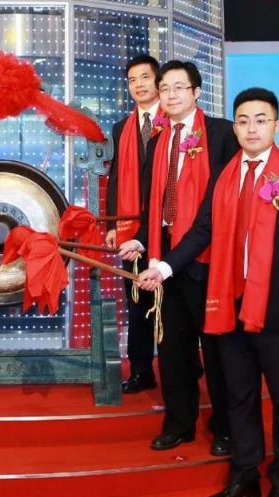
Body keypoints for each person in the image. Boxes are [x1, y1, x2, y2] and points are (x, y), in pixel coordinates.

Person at [139, 87, 279, 497]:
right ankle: (244, 475)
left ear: (276, 126)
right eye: (243, 120)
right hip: (229, 304)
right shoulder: (224, 174)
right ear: (235, 127)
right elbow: (202, 231)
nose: (251, 128)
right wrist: (164, 268)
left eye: (261, 120)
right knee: (239, 396)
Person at [118, 60, 239, 456]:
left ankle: (225, 427)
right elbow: (153, 207)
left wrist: (172, 260)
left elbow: (221, 207)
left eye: (179, 87)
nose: (170, 95)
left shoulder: (221, 134)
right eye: (165, 88)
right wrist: (140, 241)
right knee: (172, 349)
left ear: (197, 92)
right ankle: (179, 422)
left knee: (217, 351)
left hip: (208, 258)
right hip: (164, 255)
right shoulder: (158, 141)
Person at [104, 54, 162, 394]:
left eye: (144, 77)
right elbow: (114, 178)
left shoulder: (175, 122)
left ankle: (185, 364)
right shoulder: (121, 128)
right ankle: (141, 370)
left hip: (169, 226)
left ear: (158, 81)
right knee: (137, 302)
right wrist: (113, 224)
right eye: (132, 80)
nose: (138, 85)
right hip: (131, 229)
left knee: (175, 303)